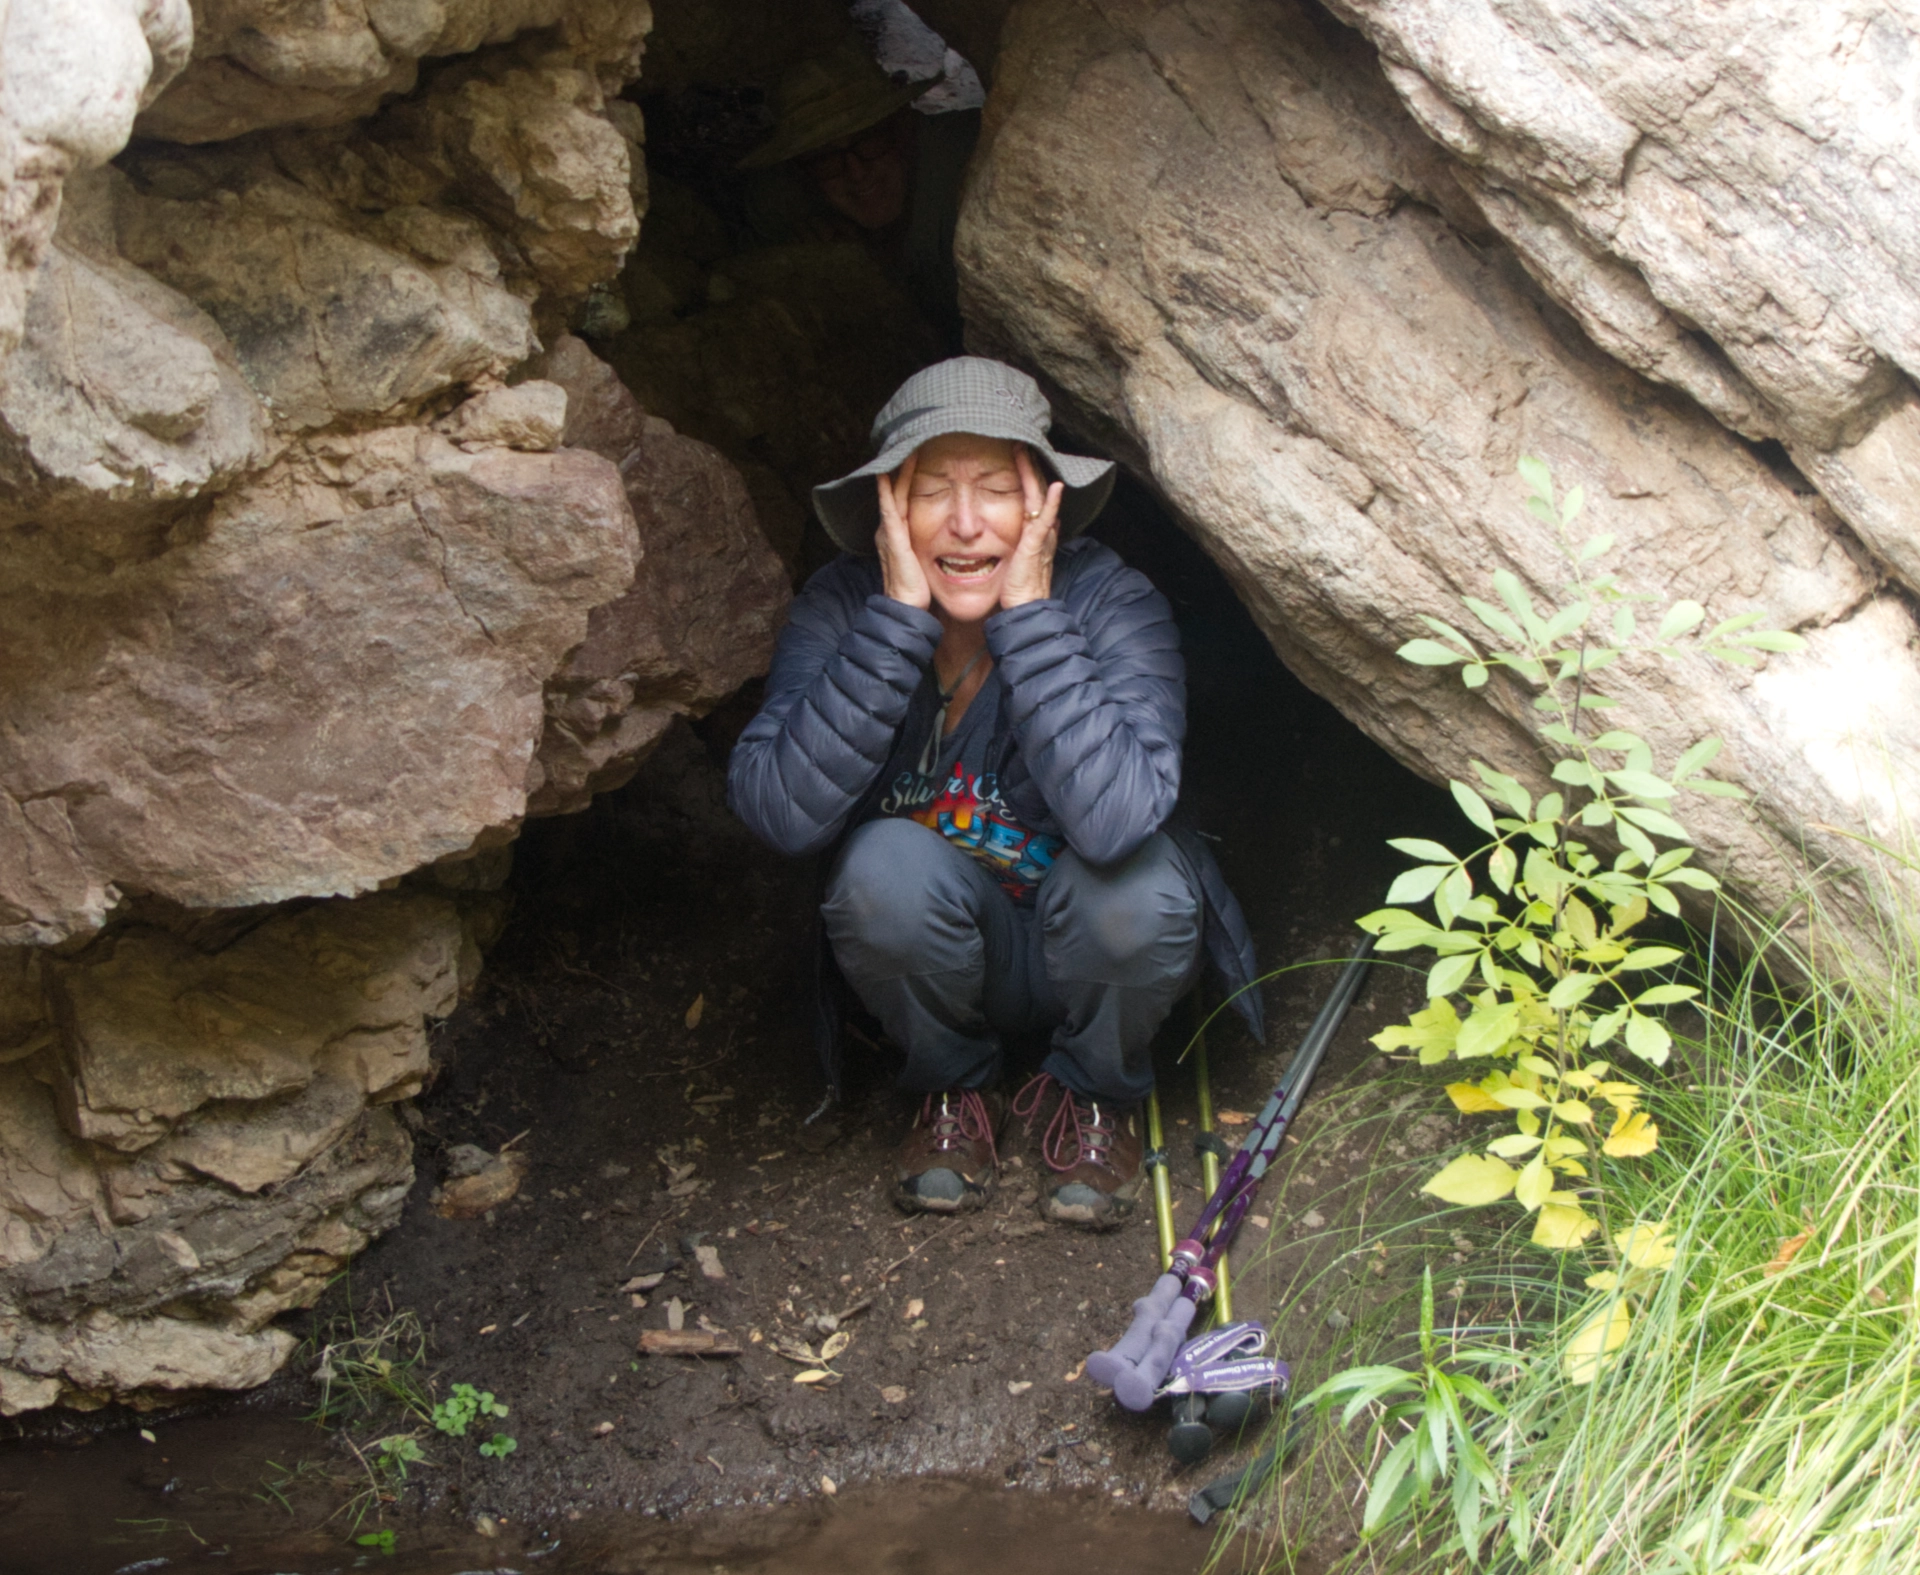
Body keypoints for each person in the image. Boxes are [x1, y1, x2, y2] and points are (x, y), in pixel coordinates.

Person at [727, 358, 1263, 1230]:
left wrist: (1029, 620)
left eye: (995, 492)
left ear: (1043, 505)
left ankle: (1095, 1092)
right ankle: (952, 1088)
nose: (967, 524)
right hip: (943, 956)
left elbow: (1122, 815)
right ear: (887, 510)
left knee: (1141, 880)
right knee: (879, 866)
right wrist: (898, 620)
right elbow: (778, 811)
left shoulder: (1111, 603)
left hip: (1093, 950)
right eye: (932, 491)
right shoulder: (842, 606)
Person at [736, 36, 978, 349]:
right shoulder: (785, 207)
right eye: (825, 159)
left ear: (905, 127)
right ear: (801, 172)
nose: (856, 171)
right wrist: (827, 267)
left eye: (868, 142)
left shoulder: (965, 170)